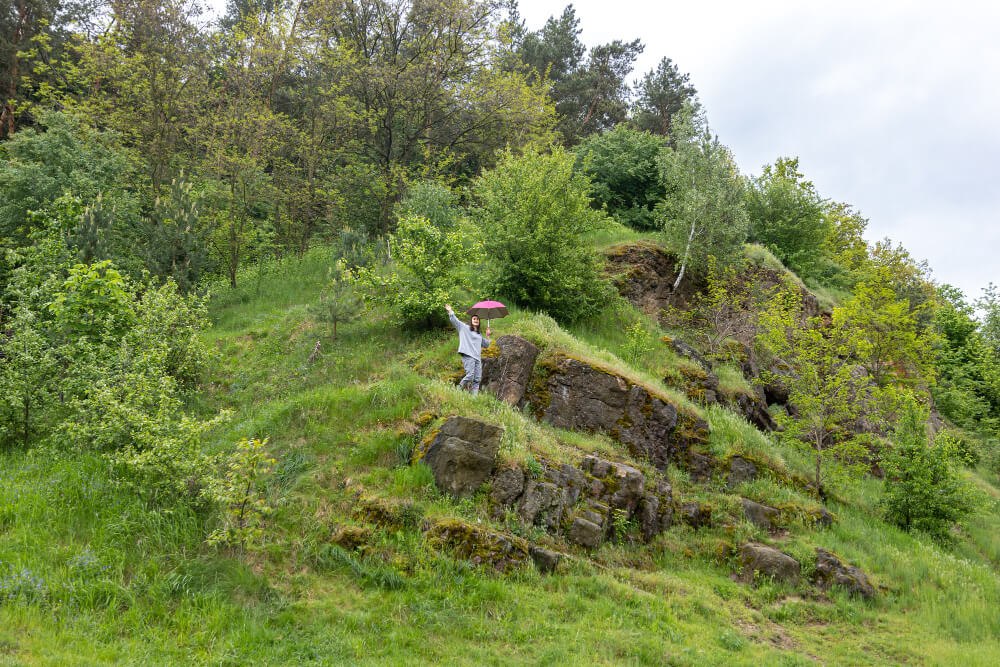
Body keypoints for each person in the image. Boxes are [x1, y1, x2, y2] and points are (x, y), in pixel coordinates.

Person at [445, 303, 491, 394]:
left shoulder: (479, 334)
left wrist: (488, 335)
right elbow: (455, 321)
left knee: (477, 379)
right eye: (474, 319)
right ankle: (457, 389)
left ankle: (474, 398)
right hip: (468, 355)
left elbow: (486, 345)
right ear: (471, 320)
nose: (476, 320)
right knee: (470, 375)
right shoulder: (464, 328)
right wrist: (450, 311)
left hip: (477, 358)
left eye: (477, 319)